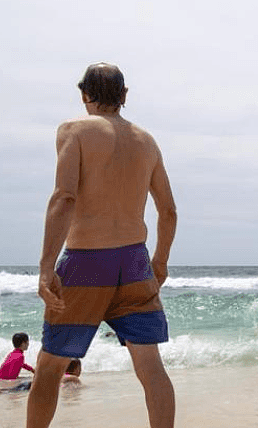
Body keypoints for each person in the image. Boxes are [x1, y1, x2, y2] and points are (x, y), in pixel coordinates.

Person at [29, 63, 177, 428]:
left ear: (84, 95)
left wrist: (47, 267)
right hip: (135, 261)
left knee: (50, 365)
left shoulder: (74, 131)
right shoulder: (147, 140)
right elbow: (168, 210)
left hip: (85, 262)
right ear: (124, 96)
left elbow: (64, 197)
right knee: (150, 367)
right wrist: (160, 261)